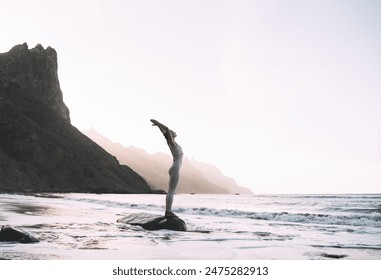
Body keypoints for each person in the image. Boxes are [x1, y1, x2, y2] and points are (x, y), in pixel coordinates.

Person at [151, 119, 183, 218]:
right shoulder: (172, 143)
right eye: (172, 132)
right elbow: (167, 130)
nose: (174, 131)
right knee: (171, 192)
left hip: (173, 168)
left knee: (170, 191)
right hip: (175, 168)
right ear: (171, 136)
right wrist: (158, 123)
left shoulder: (171, 142)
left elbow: (165, 133)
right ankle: (168, 212)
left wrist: (158, 126)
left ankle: (168, 211)